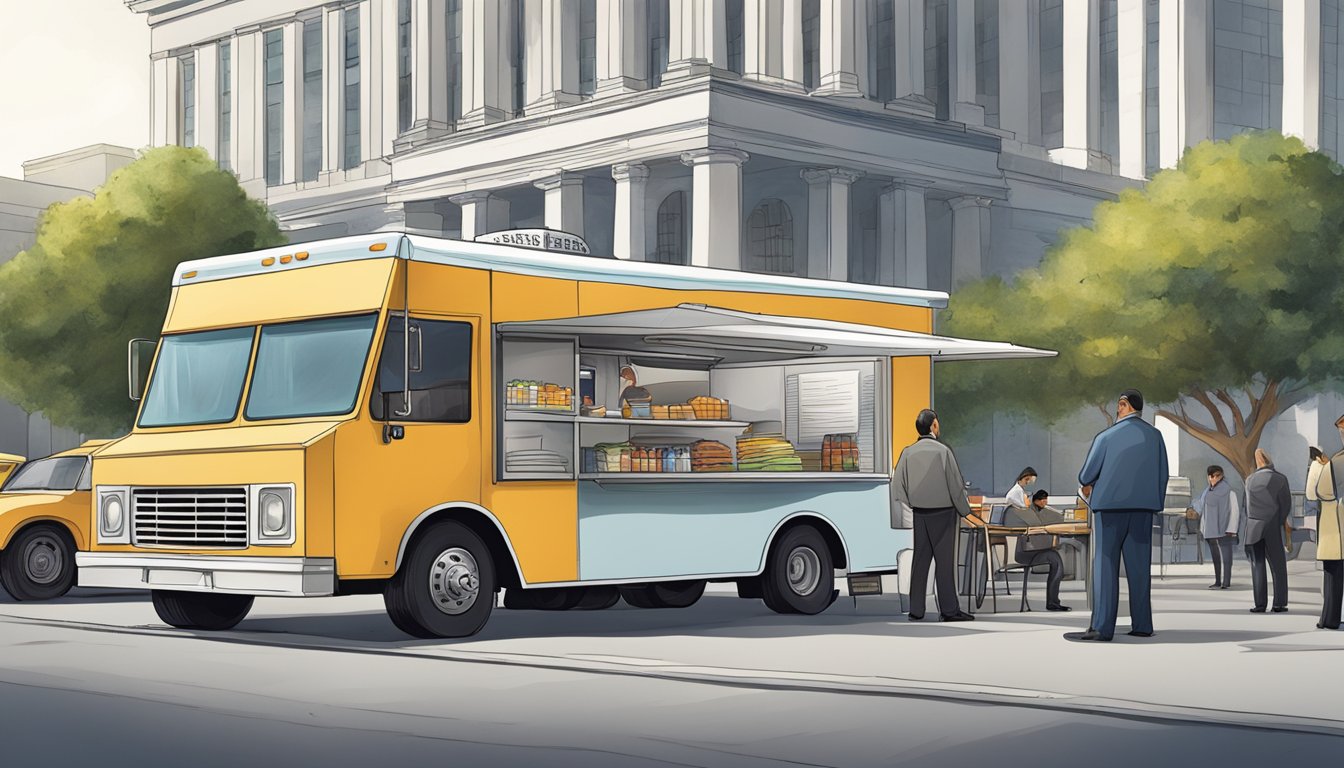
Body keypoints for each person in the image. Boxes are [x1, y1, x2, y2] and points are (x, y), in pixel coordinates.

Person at [1071, 389, 1169, 642]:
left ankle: (1102, 627)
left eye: (1119, 405)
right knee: (1139, 569)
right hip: (1144, 509)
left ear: (1124, 405)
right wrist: (1154, 502)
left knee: (1106, 566)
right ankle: (1142, 624)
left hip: (1110, 508)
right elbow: (1163, 474)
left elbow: (1086, 475)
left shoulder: (1106, 436)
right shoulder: (1155, 436)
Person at [892, 409, 979, 622]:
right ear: (933, 426)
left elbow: (897, 486)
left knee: (920, 562)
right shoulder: (943, 452)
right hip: (944, 513)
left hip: (920, 513)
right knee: (944, 562)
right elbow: (956, 486)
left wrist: (912, 503)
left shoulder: (907, 452)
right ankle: (949, 610)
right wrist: (965, 511)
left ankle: (916, 610)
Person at [1005, 490, 1073, 611]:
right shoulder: (1025, 513)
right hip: (1026, 552)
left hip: (1035, 550)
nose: (1044, 502)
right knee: (1055, 558)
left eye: (1046, 499)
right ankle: (1052, 602)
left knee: (1055, 557)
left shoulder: (1043, 512)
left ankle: (1053, 602)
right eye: (1042, 499)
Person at [1244, 448, 1292, 614]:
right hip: (1272, 525)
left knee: (1257, 566)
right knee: (1278, 565)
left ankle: (1260, 604)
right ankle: (1279, 603)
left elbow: (1246, 506)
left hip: (1253, 527)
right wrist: (1279, 522)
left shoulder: (1249, 480)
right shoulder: (1280, 479)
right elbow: (1286, 505)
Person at [1315, 418, 1344, 630]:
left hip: (1336, 528)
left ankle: (1330, 619)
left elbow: (1322, 491)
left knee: (1333, 575)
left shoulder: (1337, 462)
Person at [1190, 465, 1239, 590]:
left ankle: (1226, 582)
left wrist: (1231, 529)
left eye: (1217, 476)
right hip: (1210, 529)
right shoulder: (1207, 492)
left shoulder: (1229, 492)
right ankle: (1218, 581)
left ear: (1221, 476)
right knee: (1215, 557)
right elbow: (1202, 506)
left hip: (1225, 529)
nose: (1213, 478)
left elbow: (1234, 511)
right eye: (1211, 476)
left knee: (1227, 557)